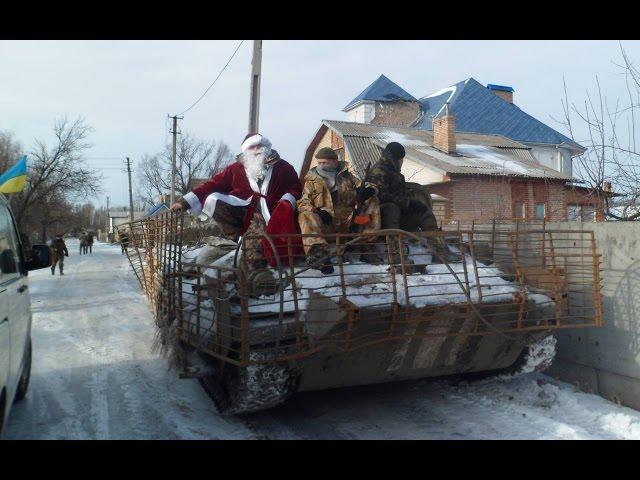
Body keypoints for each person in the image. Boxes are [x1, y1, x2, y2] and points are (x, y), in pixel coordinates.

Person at [171, 133, 302, 275]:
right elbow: (212, 184)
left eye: (260, 146)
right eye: (253, 146)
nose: (257, 149)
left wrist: (287, 200)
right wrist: (184, 202)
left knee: (253, 247)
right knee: (213, 198)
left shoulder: (283, 167)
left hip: (273, 212)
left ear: (267, 147)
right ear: (246, 150)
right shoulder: (235, 169)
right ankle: (233, 236)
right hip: (244, 211)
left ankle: (251, 280)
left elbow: (295, 187)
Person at [298, 147, 381, 273]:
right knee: (305, 215)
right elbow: (303, 203)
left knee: (373, 200)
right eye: (319, 163)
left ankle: (367, 247)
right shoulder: (311, 182)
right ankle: (319, 255)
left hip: (349, 222)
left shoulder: (347, 177)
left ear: (335, 161)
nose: (322, 166)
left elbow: (368, 185)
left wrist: (369, 190)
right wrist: (316, 211)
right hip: (326, 224)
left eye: (325, 163)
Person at [366, 142, 449, 264]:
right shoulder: (379, 171)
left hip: (399, 215)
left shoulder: (394, 172)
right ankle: (395, 254)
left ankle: (440, 252)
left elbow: (401, 195)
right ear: (396, 158)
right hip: (379, 218)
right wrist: (407, 203)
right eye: (401, 159)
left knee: (424, 211)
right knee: (391, 208)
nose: (402, 162)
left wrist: (413, 203)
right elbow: (380, 196)